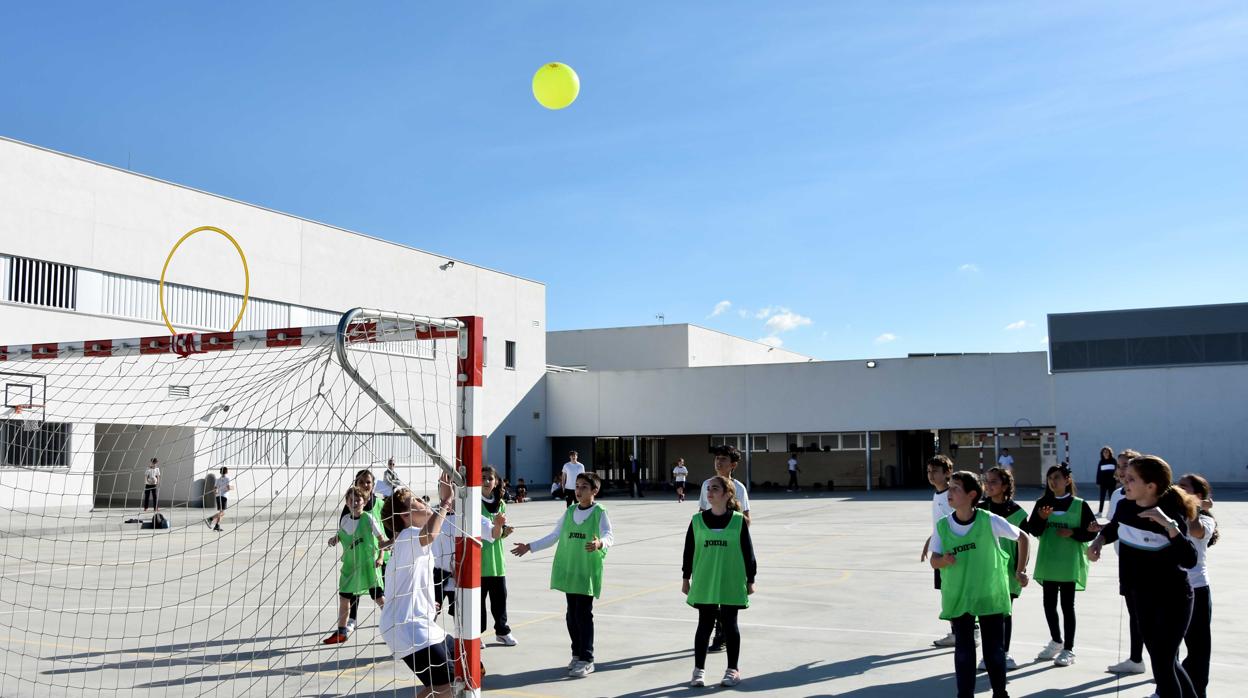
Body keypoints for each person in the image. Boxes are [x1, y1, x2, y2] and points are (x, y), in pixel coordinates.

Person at [1088, 455, 1199, 698]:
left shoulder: (1168, 513)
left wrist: (1169, 525)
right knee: (1166, 663)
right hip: (1140, 594)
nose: (1123, 481)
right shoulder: (1126, 506)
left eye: (1130, 479)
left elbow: (1190, 559)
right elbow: (1115, 526)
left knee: (1163, 664)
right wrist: (1099, 540)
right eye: (1124, 477)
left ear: (1151, 486)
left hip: (1172, 598)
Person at [930, 470, 1028, 698]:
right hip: (960, 595)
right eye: (950, 487)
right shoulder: (943, 526)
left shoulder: (990, 521)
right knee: (964, 650)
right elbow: (934, 561)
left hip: (989, 593)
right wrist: (943, 560)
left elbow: (1022, 537)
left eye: (955, 488)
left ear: (972, 494)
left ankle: (999, 692)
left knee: (994, 650)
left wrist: (1020, 570)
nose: (949, 492)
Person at [511, 472, 613, 679]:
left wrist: (600, 543)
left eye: (584, 486)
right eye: (577, 486)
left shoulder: (600, 512)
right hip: (569, 570)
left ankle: (587, 658)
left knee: (583, 616)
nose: (579, 490)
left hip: (586, 572)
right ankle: (577, 654)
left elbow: (609, 535)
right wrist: (530, 546)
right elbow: (554, 536)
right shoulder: (570, 511)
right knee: (571, 615)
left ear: (595, 490)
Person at [379, 484, 458, 697]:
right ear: (406, 515)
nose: (425, 502)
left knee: (471, 668)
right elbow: (431, 534)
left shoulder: (408, 540)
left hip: (419, 622)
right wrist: (446, 502)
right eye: (419, 501)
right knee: (447, 685)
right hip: (406, 627)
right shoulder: (408, 536)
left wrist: (427, 603)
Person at [683, 474, 756, 688]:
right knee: (704, 625)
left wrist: (751, 578)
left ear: (727, 494)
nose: (710, 492)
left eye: (715, 488)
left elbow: (748, 552)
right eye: (708, 489)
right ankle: (698, 670)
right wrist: (685, 577)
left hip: (731, 579)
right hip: (705, 579)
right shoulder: (697, 520)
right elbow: (689, 551)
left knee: (730, 623)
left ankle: (732, 670)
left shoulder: (738, 520)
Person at [1023, 463, 1097, 667]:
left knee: (1067, 606)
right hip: (1049, 560)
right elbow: (1033, 530)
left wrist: (1074, 533)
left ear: (1067, 480)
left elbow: (1092, 531)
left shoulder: (1080, 504)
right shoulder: (1043, 503)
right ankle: (1056, 641)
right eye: (1050, 478)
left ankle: (1069, 649)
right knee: (1048, 604)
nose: (1052, 481)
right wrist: (1041, 518)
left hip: (1069, 562)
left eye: (1056, 477)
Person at [698, 445, 752, 653]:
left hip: (732, 547)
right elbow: (702, 514)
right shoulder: (707, 485)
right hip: (711, 547)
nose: (718, 462)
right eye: (717, 459)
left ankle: (723, 632)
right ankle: (718, 631)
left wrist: (732, 520)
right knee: (711, 591)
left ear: (733, 465)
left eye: (723, 459)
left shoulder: (739, 488)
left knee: (727, 592)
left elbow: (747, 519)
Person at [977, 466, 1030, 670]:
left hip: (1009, 571)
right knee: (986, 614)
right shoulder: (980, 509)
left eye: (993, 482)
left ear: (1005, 486)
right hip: (985, 569)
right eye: (986, 481)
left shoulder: (1017, 513)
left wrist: (1021, 569)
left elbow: (1025, 543)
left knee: (1004, 614)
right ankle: (987, 654)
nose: (988, 485)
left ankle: (1003, 653)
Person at [323, 485, 386, 644]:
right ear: (347, 502)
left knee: (379, 599)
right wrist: (334, 539)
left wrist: (380, 557)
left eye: (358, 500)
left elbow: (381, 541)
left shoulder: (368, 518)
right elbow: (341, 535)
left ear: (364, 502)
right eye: (351, 500)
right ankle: (341, 632)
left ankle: (395, 627)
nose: (355, 503)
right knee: (344, 598)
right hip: (350, 567)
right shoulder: (344, 520)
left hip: (368, 567)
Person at [1105, 448, 1148, 675]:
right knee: (1135, 613)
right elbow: (1114, 527)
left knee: (1154, 615)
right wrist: (1098, 535)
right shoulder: (1117, 495)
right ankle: (1136, 658)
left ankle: (1171, 664)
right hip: (1126, 562)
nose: (1122, 470)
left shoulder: (1148, 496)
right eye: (1120, 466)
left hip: (1146, 564)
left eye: (1127, 466)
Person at [1177, 473, 1217, 698]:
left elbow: (1196, 531)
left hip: (1197, 590)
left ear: (1197, 495)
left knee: (1198, 650)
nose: (1177, 489)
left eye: (1183, 487)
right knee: (1166, 650)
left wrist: (1194, 507)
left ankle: (1197, 692)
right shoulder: (1169, 514)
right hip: (1170, 588)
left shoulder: (1206, 520)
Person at [920, 455, 960, 648]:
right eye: (929, 471)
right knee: (947, 591)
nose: (931, 475)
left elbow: (956, 523)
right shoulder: (937, 495)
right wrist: (931, 541)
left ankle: (969, 630)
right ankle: (956, 631)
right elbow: (940, 524)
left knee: (956, 590)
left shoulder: (950, 495)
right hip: (940, 550)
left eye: (935, 471)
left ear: (947, 473)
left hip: (951, 553)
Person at [342, 469, 386, 634]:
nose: (365, 485)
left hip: (381, 554)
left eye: (368, 482)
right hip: (360, 555)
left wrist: (385, 549)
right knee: (354, 589)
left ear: (373, 485)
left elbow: (388, 526)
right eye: (361, 482)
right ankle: (352, 620)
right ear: (356, 483)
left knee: (380, 590)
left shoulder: (380, 504)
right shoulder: (352, 505)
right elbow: (344, 529)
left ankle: (389, 618)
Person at [480, 466, 518, 646]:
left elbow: (498, 532)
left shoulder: (501, 503)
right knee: (477, 602)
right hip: (479, 561)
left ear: (496, 482)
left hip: (496, 561)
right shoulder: (473, 503)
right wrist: (498, 529)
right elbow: (487, 531)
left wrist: (505, 532)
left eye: (490, 478)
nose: (487, 481)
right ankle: (475, 634)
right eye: (483, 477)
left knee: (499, 599)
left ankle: (502, 631)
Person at [205, 467, 232, 532]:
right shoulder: (228, 478)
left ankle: (217, 526)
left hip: (218, 496)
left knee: (221, 512)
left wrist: (218, 491)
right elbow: (228, 488)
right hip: (224, 496)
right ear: (226, 472)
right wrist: (231, 488)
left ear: (220, 472)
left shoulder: (217, 479)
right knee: (222, 513)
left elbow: (215, 490)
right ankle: (210, 519)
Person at [1095, 446, 1117, 515]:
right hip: (1103, 483)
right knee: (1102, 497)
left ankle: (1112, 512)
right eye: (1104, 452)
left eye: (1107, 452)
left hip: (1111, 482)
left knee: (1112, 498)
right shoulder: (1101, 462)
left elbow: (1116, 471)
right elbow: (1098, 472)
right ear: (1102, 453)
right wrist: (1098, 482)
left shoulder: (1113, 461)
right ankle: (1100, 512)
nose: (1105, 453)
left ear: (1110, 453)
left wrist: (1118, 480)